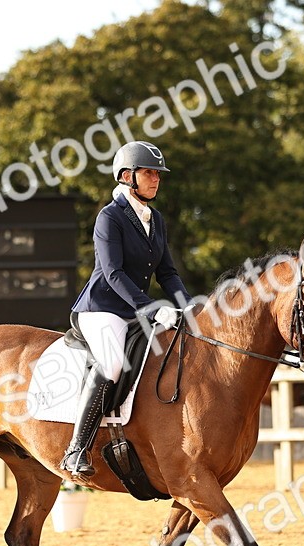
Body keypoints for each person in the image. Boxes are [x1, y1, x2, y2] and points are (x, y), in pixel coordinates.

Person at [61, 140, 193, 478]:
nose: (156, 179)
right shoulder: (110, 217)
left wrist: (186, 305)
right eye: (149, 173)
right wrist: (151, 308)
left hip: (134, 312)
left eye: (158, 174)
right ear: (126, 176)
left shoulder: (155, 219)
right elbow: (113, 273)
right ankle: (76, 449)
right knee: (113, 362)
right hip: (102, 309)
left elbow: (167, 273)